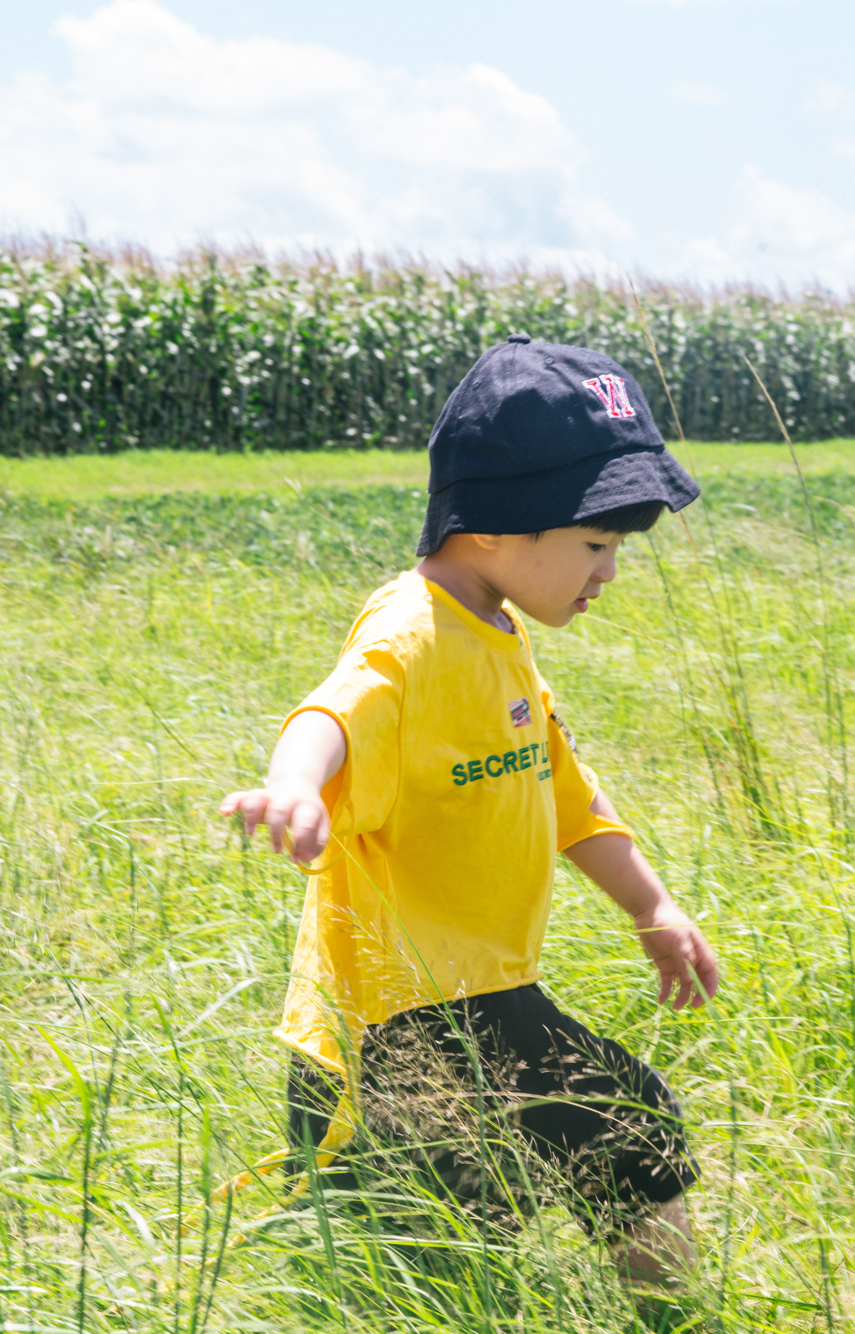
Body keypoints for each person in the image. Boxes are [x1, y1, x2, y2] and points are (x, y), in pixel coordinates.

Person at [219, 333, 721, 1312]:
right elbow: (333, 709)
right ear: (499, 523)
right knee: (406, 1264)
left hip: (483, 995)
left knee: (617, 1140)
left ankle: (667, 1312)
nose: (608, 571)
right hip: (386, 1027)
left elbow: (568, 794)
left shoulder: (499, 632)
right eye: (595, 544)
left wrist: (650, 907)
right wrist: (290, 785)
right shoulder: (407, 631)